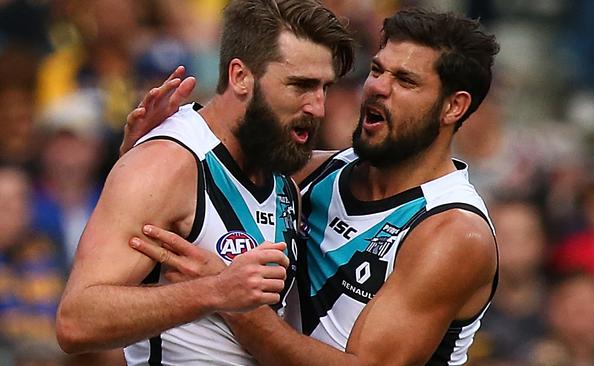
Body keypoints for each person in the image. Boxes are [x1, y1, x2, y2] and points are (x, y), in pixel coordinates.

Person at [124, 7, 500, 366]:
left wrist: (227, 296)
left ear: (454, 107)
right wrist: (148, 151)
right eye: (377, 70)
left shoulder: (452, 232)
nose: (376, 89)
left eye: (405, 80)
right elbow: (205, 171)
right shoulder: (319, 172)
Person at [55, 1, 355, 365]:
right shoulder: (166, 163)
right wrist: (213, 291)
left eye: (324, 87)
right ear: (240, 77)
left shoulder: (280, 173)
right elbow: (76, 321)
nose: (318, 107)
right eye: (301, 86)